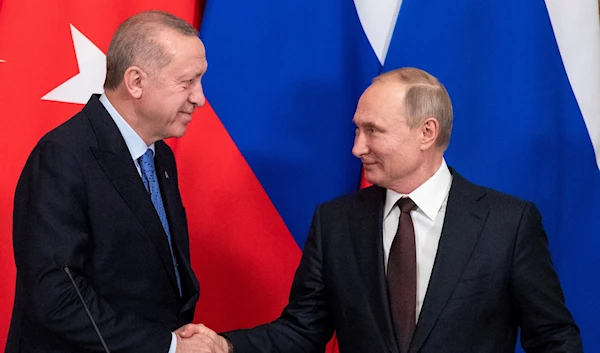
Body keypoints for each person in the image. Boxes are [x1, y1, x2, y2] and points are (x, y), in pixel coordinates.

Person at [182, 67, 583, 352]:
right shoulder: (335, 222)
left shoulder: (507, 223)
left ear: (426, 132)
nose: (357, 147)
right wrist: (224, 345)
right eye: (357, 129)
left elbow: (553, 338)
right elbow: (303, 331)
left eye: (372, 130)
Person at [5, 10, 225, 353]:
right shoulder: (63, 155)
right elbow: (57, 296)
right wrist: (167, 346)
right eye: (187, 83)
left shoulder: (160, 156)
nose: (199, 98)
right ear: (135, 82)